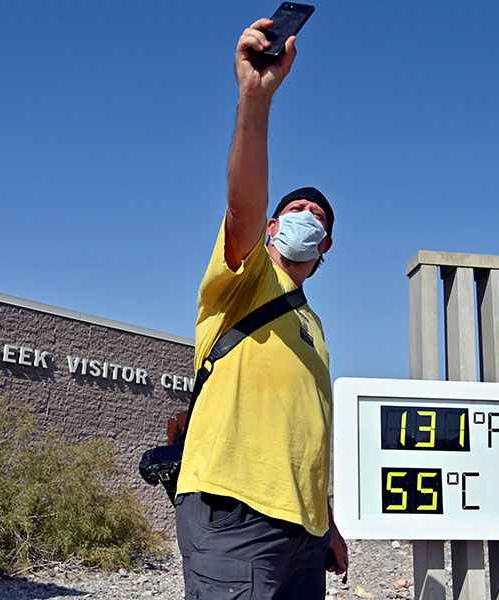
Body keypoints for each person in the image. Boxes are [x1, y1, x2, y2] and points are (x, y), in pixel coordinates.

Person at [174, 17, 348, 599]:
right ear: (273, 227)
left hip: (303, 532)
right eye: (297, 210)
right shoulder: (247, 275)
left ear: (325, 247)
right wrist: (256, 98)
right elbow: (242, 205)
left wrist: (326, 523)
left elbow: (304, 432)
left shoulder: (313, 326)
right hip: (237, 510)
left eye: (318, 218)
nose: (308, 217)